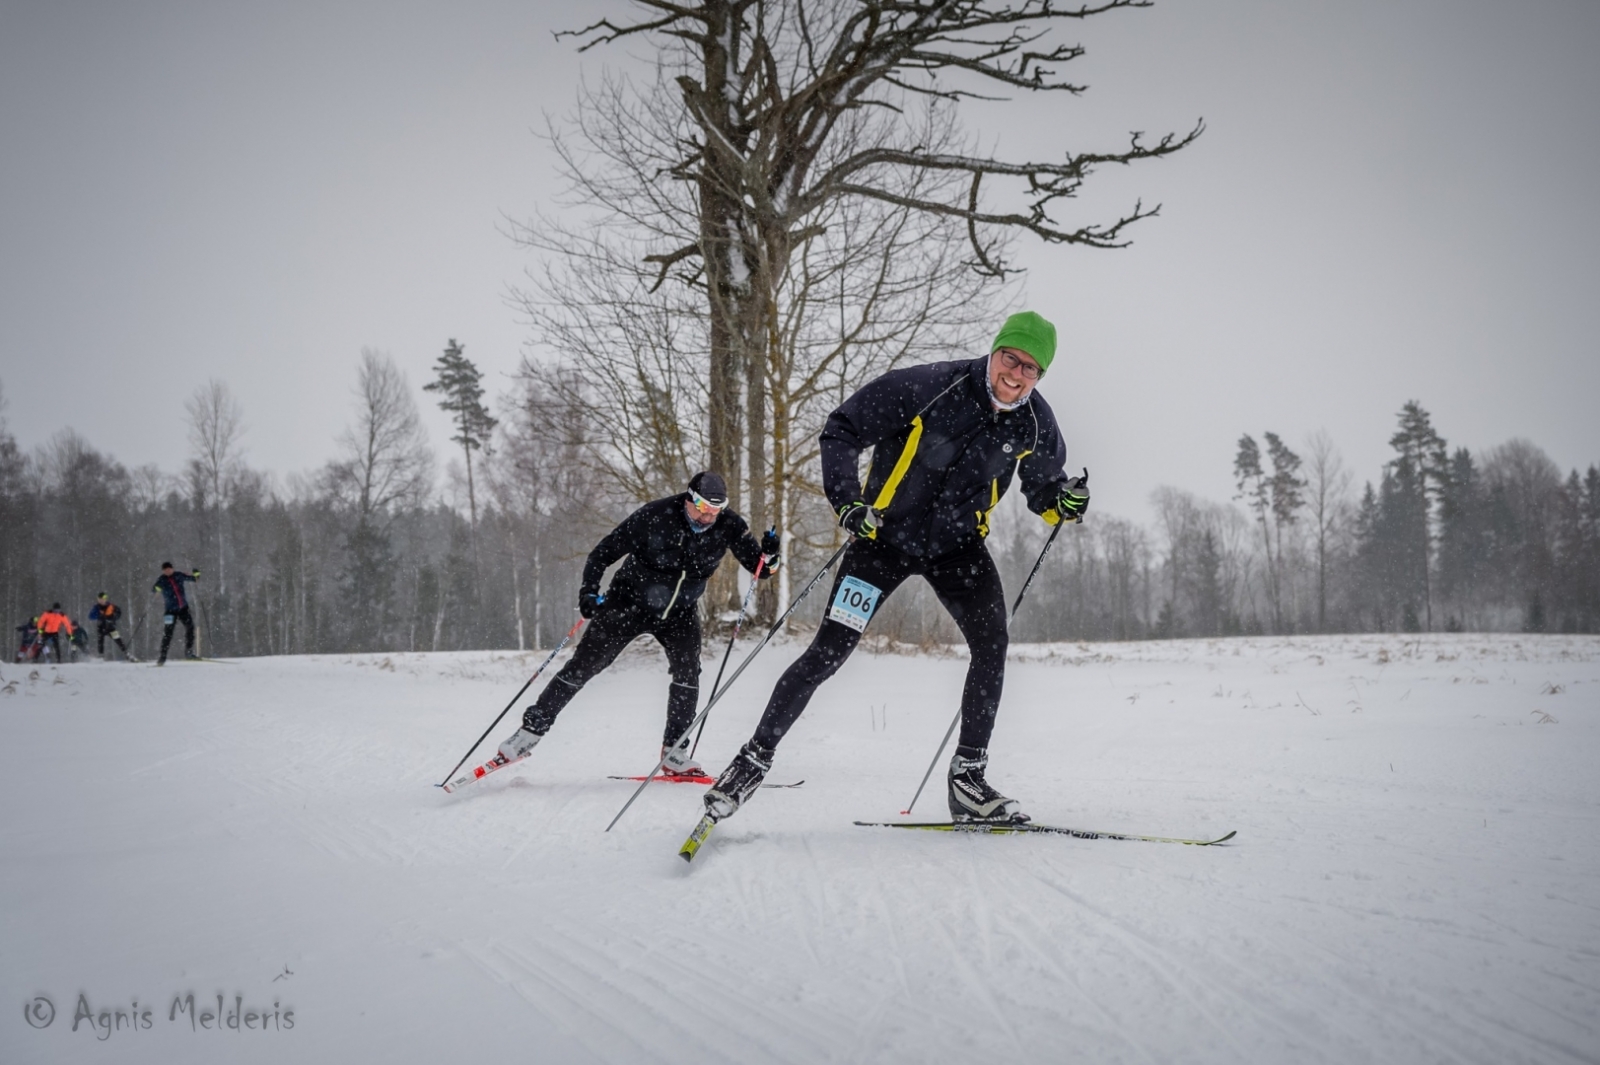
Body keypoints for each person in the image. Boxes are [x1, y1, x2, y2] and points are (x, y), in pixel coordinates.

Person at [701, 311, 1089, 827]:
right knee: (828, 652)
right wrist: (848, 503)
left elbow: (1042, 489)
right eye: (1010, 359)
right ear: (994, 352)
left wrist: (1061, 501)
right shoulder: (930, 385)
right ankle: (752, 760)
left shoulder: (1036, 421)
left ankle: (968, 781)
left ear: (1041, 376)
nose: (1016, 375)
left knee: (992, 644)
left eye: (1031, 369)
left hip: (958, 550)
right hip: (882, 539)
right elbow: (841, 429)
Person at [496, 471, 780, 776]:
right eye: (702, 507)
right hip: (627, 603)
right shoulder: (655, 515)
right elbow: (602, 553)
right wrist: (589, 591)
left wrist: (771, 554)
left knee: (688, 671)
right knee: (585, 665)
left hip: (679, 612)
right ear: (689, 498)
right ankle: (528, 733)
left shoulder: (730, 525)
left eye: (716, 510)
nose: (708, 516)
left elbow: (762, 570)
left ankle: (675, 752)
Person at [152, 562, 200, 665]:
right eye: (165, 570)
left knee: (190, 627)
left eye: (169, 569)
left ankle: (189, 652)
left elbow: (193, 579)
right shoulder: (162, 579)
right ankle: (162, 657)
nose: (168, 571)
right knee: (168, 633)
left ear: (172, 569)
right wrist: (156, 589)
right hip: (170, 611)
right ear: (163, 571)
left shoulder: (179, 575)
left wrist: (196, 575)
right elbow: (154, 589)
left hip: (183, 608)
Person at [89, 593, 136, 661]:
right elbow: (90, 616)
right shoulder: (96, 607)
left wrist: (113, 617)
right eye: (99, 599)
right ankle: (100, 656)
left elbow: (119, 612)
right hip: (101, 627)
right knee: (100, 641)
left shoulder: (111, 606)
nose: (101, 601)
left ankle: (127, 654)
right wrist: (99, 615)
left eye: (102, 599)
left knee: (118, 640)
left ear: (105, 599)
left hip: (111, 627)